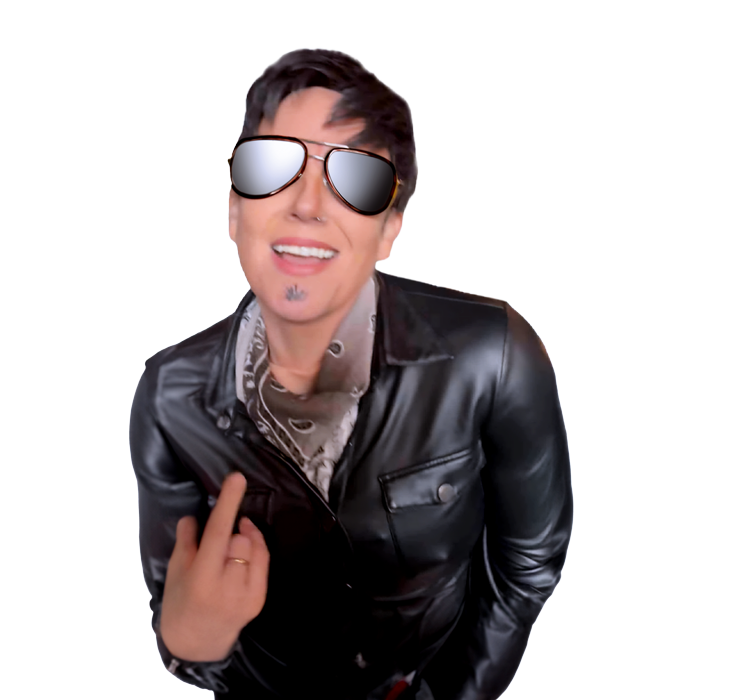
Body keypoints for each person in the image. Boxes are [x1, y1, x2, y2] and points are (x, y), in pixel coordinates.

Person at [130, 47, 573, 700]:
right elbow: (179, 625)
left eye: (356, 179)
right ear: (234, 208)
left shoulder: (495, 356)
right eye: (271, 165)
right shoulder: (169, 397)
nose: (308, 203)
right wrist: (190, 643)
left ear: (390, 227)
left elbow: (526, 567)